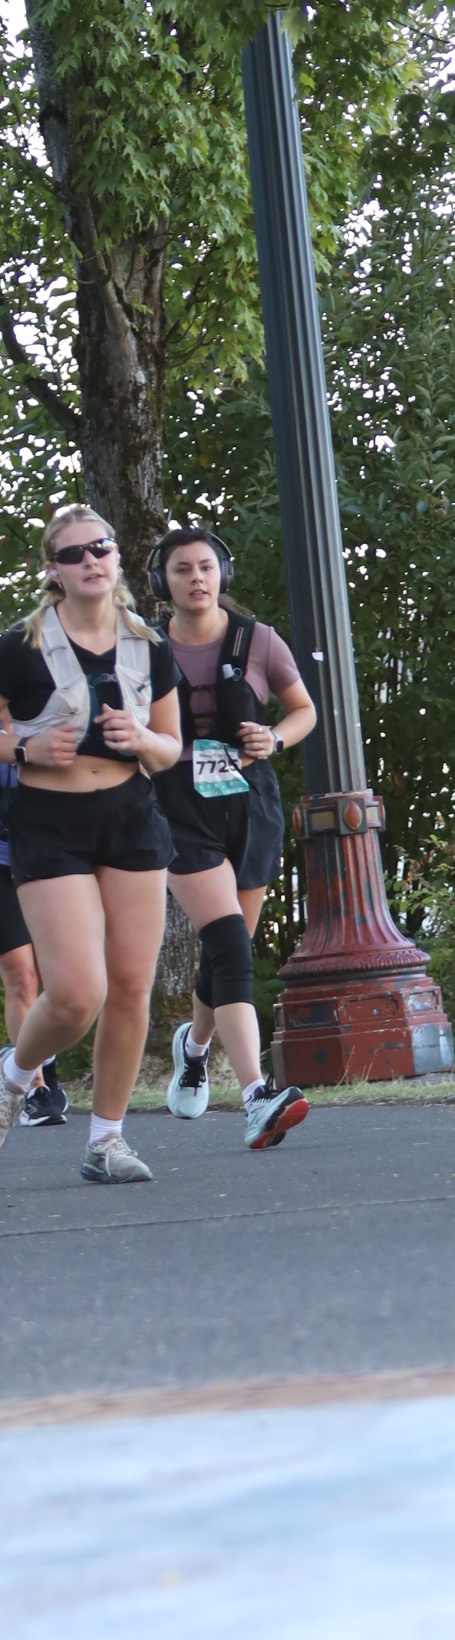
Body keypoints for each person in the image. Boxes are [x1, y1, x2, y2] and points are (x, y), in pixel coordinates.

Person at [0, 503, 184, 1181]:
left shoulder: (149, 643)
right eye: (74, 553)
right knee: (78, 993)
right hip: (50, 820)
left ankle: (107, 1141)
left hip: (131, 815)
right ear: (53, 569)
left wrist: (142, 739)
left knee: (131, 985)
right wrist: (24, 749)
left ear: (116, 557)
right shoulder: (18, 646)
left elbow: (172, 747)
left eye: (100, 548)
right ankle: (14, 1075)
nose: (90, 561)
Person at [145, 524, 314, 1148]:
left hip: (249, 804)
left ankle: (193, 1048)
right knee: (228, 945)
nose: (197, 578)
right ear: (163, 581)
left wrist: (275, 738)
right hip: (176, 806)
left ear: (223, 574)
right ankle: (256, 1096)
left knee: (231, 948)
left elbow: (303, 711)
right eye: (182, 568)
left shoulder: (257, 639)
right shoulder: (143, 647)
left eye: (206, 567)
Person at [0, 745, 68, 1127]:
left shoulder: (46, 716)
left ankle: (43, 1056)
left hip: (48, 852)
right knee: (21, 976)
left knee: (57, 978)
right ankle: (34, 1089)